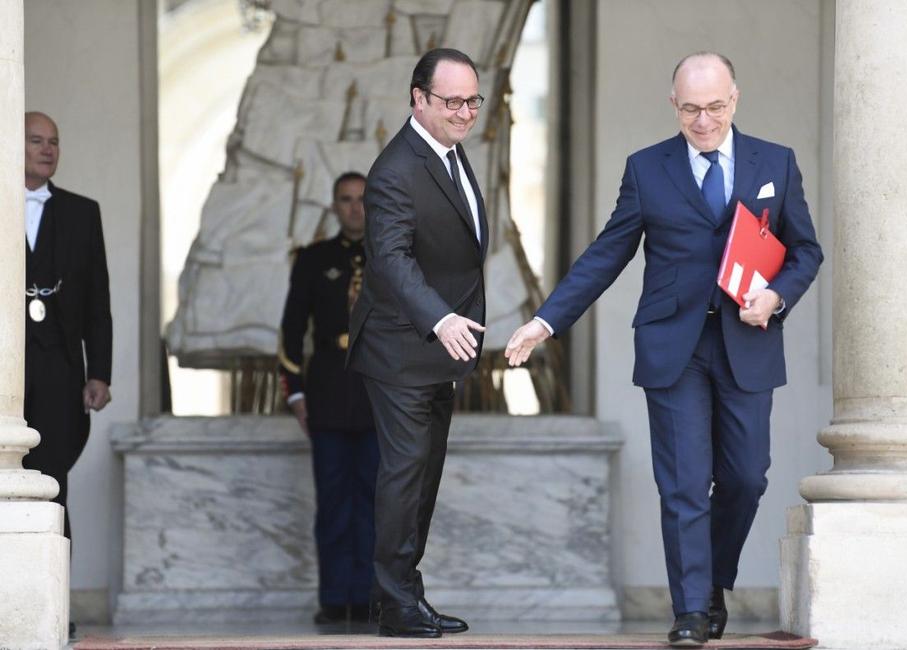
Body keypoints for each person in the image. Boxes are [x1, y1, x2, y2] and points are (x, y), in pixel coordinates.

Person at [505, 52, 823, 647]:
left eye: (715, 108)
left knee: (747, 477)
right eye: (690, 110)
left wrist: (776, 296)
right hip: (672, 347)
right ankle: (691, 611)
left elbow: (805, 249)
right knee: (682, 482)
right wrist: (545, 323)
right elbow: (607, 254)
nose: (703, 121)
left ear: (736, 98)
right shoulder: (647, 169)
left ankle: (711, 584)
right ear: (672, 104)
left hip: (746, 343)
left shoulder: (774, 161)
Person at [347, 48, 488, 638]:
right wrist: (440, 319)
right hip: (402, 344)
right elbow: (390, 259)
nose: (463, 113)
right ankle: (397, 602)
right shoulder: (396, 168)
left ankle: (402, 596)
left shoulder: (449, 155)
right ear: (418, 99)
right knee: (406, 473)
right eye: (450, 101)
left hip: (438, 350)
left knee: (423, 475)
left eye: (471, 101)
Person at [279, 171, 379, 626]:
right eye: (346, 199)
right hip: (329, 392)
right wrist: (295, 390)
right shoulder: (313, 259)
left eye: (362, 199)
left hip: (381, 392)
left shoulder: (392, 257)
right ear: (334, 206)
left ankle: (375, 597)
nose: (355, 208)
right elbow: (291, 329)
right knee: (335, 501)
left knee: (378, 502)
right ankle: (336, 597)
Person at [22, 111, 113, 542]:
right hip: (7, 372)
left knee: (52, 483)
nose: (47, 149)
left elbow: (98, 302)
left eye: (53, 142)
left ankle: (54, 606)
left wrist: (99, 372)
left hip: (60, 371)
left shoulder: (82, 212)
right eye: (36, 140)